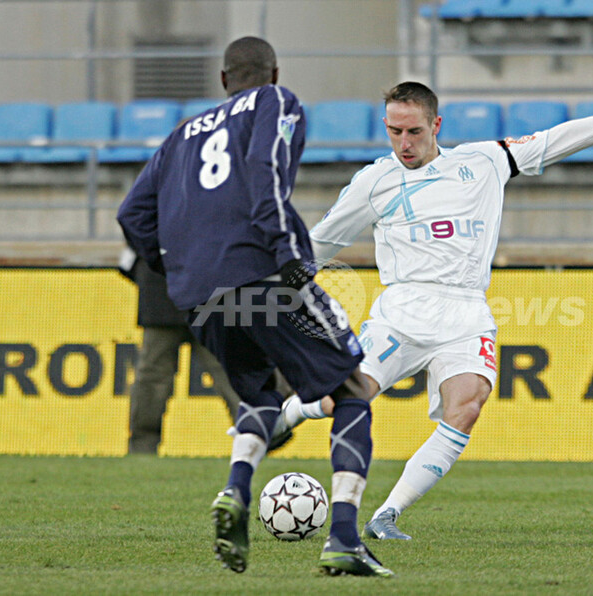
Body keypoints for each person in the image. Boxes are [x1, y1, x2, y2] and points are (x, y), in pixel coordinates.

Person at [273, 82, 593, 540]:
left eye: (413, 131)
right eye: (394, 132)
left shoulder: (484, 161)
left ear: (436, 125)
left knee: (467, 406)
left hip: (466, 312)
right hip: (402, 311)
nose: (403, 143)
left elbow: (555, 140)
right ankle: (287, 415)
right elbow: (322, 241)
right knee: (344, 399)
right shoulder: (375, 181)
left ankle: (386, 514)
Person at [116, 36, 392, 578]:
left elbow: (132, 215)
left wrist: (179, 266)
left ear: (223, 81)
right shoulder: (275, 101)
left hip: (202, 298)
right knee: (353, 390)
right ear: (274, 72)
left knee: (260, 396)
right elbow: (264, 171)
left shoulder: (179, 136)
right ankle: (343, 539)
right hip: (265, 276)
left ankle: (235, 490)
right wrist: (289, 257)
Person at [119, 248, 241, 454]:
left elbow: (132, 228)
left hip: (166, 289)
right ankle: (259, 436)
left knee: (153, 376)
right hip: (203, 290)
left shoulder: (152, 216)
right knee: (230, 372)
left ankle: (142, 446)